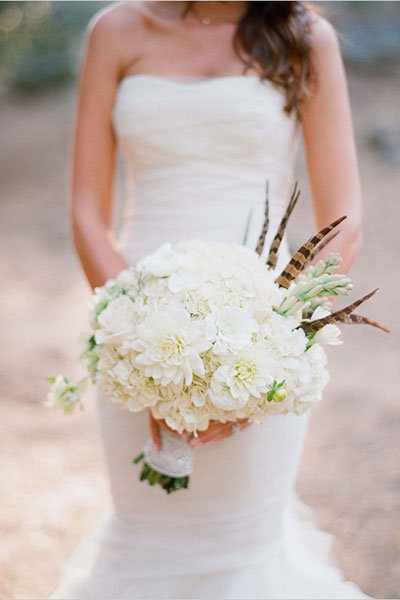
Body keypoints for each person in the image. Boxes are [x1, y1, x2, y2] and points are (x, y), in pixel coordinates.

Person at [49, 2, 369, 598]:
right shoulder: (116, 31)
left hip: (262, 327)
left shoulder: (304, 36)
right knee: (148, 536)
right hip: (131, 324)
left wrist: (273, 343)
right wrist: (135, 336)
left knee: (241, 546)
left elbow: (342, 226)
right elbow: (87, 211)